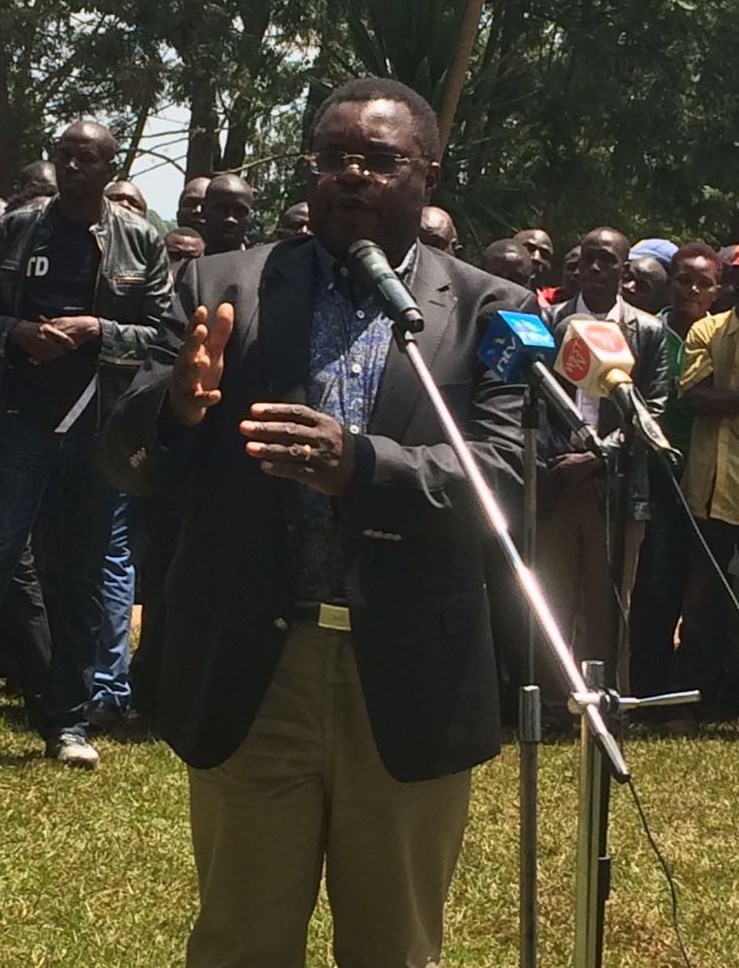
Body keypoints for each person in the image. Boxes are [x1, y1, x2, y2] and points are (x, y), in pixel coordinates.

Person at [103, 76, 536, 968]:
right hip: (256, 668)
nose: (349, 175)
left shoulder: (492, 307)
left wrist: (360, 466)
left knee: (393, 947)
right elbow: (122, 452)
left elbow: (501, 481)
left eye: (377, 159)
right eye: (331, 157)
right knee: (240, 941)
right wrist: (175, 406)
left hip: (408, 672)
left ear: (427, 172)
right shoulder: (223, 282)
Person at [0, 120, 171, 767]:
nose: (71, 166)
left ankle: (68, 724)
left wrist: (96, 328)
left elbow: (162, 333)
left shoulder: (139, 240)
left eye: (86, 158)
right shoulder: (18, 228)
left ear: (108, 166)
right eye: (63, 155)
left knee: (81, 578)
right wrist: (17, 330)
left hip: (98, 433)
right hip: (20, 423)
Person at [537, 227, 669, 726]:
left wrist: (599, 458)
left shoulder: (648, 332)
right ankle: (554, 705)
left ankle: (608, 704)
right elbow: (530, 399)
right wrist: (562, 464)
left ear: (624, 271)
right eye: (587, 260)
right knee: (552, 594)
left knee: (610, 599)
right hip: (556, 481)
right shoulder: (550, 323)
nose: (594, 270)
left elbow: (652, 409)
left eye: (606, 262)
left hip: (615, 489)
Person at [630, 243, 722, 707]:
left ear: (716, 290)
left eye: (703, 283)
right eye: (684, 279)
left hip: (710, 480)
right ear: (670, 280)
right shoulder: (650, 332)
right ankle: (648, 688)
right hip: (659, 479)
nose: (692, 290)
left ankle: (698, 691)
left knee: (703, 592)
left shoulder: (722, 335)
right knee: (656, 586)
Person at [664, 249, 739, 734]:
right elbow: (693, 398)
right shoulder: (707, 332)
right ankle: (688, 704)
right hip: (714, 490)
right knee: (702, 599)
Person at [202, 173, 253, 255]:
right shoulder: (186, 267)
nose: (230, 219)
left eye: (240, 211)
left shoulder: (263, 266)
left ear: (249, 217)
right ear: (203, 210)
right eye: (221, 209)